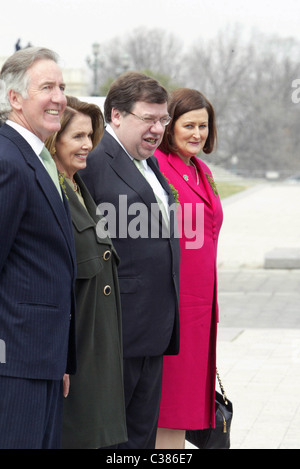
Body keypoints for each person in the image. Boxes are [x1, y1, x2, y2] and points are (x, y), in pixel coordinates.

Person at [80, 71, 180, 449]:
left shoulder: (149, 163)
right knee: (114, 440)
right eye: (149, 119)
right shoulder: (94, 162)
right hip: (117, 328)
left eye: (163, 119)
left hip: (153, 329)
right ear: (117, 116)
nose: (157, 129)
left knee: (141, 437)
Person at [0, 47, 76, 449]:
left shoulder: (38, 157)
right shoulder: (8, 160)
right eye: (46, 87)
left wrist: (59, 357)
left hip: (43, 360)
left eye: (62, 87)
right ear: (15, 98)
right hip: (14, 363)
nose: (59, 98)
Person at [45, 96, 127, 449]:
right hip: (75, 353)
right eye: (78, 136)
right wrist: (60, 356)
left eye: (90, 136)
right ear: (54, 140)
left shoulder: (78, 188)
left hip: (98, 348)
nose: (88, 145)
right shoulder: (52, 192)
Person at [154, 88, 223, 449]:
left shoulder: (201, 169)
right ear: (170, 127)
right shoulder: (158, 168)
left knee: (185, 410)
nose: (197, 134)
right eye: (188, 125)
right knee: (169, 408)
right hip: (173, 310)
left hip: (200, 311)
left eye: (203, 126)